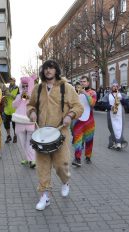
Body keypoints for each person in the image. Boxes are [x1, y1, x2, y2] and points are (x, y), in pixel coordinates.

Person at [27, 59, 83, 211]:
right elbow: (30, 105)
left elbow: (78, 106)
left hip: (61, 133)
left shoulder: (67, 87)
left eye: (51, 68)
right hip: (41, 135)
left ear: (56, 70)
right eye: (45, 68)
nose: (48, 71)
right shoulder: (38, 89)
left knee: (61, 165)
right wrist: (31, 112)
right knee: (42, 166)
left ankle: (65, 182)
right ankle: (45, 196)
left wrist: (70, 115)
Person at [71, 76, 97, 167]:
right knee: (77, 140)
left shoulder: (92, 92)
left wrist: (85, 93)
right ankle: (77, 158)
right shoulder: (76, 93)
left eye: (84, 81)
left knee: (89, 140)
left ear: (88, 83)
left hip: (89, 121)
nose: (82, 83)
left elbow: (92, 103)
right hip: (78, 120)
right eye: (81, 81)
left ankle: (88, 156)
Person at [12, 76, 36, 168]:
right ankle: (27, 158)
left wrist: (30, 98)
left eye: (27, 86)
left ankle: (32, 160)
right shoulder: (19, 95)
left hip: (30, 121)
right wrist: (20, 97)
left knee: (30, 142)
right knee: (22, 142)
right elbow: (14, 105)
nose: (25, 88)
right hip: (19, 122)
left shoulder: (33, 95)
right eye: (24, 86)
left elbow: (36, 105)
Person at [101, 81, 128, 150]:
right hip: (111, 114)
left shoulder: (121, 94)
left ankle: (118, 143)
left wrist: (121, 100)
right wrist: (110, 107)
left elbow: (127, 103)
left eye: (116, 86)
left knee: (119, 128)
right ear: (111, 87)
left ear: (118, 87)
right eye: (113, 86)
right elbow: (103, 103)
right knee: (112, 128)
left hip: (120, 114)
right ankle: (113, 141)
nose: (115, 87)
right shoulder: (107, 95)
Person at [3, 77, 19, 143]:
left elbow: (19, 98)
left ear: (14, 81)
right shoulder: (6, 88)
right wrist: (4, 100)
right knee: (6, 123)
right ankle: (8, 136)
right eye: (10, 80)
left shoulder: (17, 88)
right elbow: (5, 97)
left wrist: (10, 94)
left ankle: (15, 136)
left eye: (12, 80)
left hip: (14, 110)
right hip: (6, 109)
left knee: (14, 124)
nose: (11, 81)